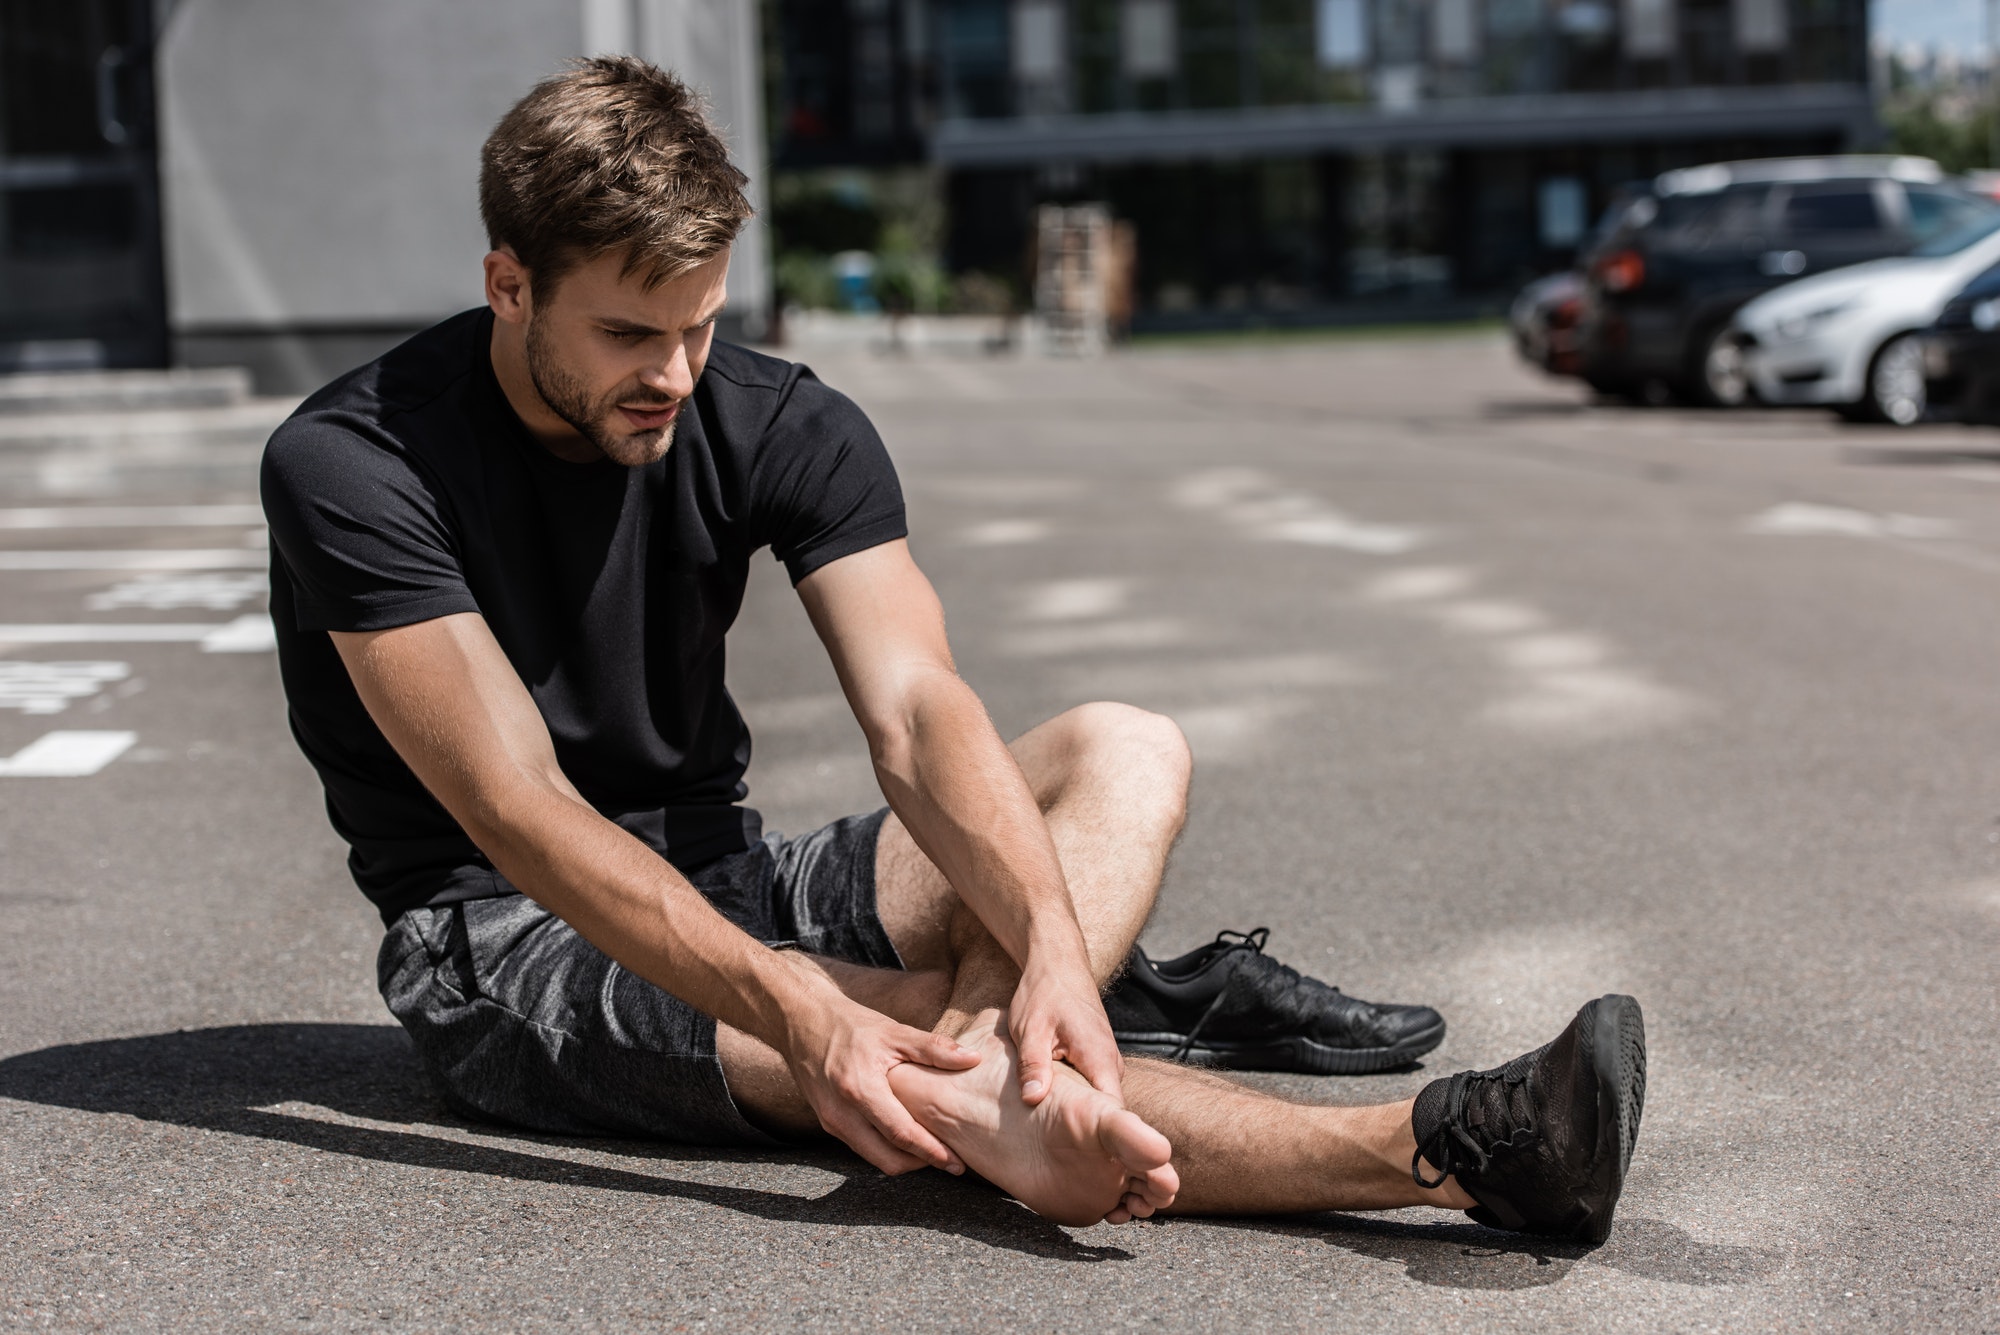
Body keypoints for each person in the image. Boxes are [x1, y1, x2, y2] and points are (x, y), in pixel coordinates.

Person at [260, 57, 1646, 1242]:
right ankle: (1454, 1151)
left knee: (1122, 749)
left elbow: (918, 713)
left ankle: (1037, 1056)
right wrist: (804, 1009)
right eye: (630, 333)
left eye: (701, 324)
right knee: (904, 1022)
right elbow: (520, 813)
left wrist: (1044, 946)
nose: (675, 376)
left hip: (727, 867)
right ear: (509, 283)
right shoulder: (356, 461)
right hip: (502, 933)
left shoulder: (774, 418)